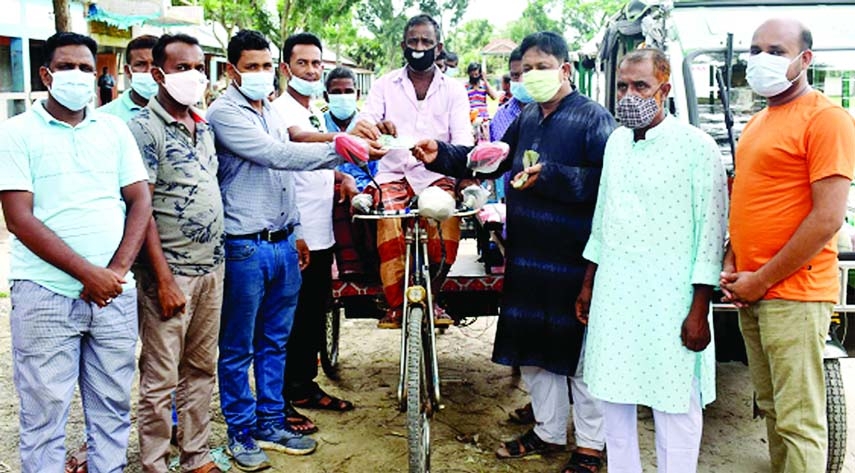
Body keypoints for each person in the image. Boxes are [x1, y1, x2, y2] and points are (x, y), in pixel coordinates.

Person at [411, 31, 615, 473]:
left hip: (574, 259)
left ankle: (591, 447)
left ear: (565, 70)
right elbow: (490, 160)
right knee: (535, 349)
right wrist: (441, 155)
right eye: (525, 71)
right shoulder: (526, 117)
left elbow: (614, 183)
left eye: (542, 67)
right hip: (526, 254)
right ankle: (547, 431)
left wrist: (555, 176)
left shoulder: (593, 118)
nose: (532, 77)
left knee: (578, 355)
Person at [207, 29, 378, 471]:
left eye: (266, 66)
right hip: (245, 245)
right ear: (232, 71)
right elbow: (275, 155)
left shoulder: (269, 110)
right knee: (238, 346)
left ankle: (269, 420)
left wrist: (297, 229)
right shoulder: (225, 113)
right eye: (252, 67)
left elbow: (284, 181)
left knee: (275, 341)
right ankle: (241, 433)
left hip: (282, 241)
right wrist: (341, 151)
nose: (262, 75)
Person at [0, 32, 151, 473]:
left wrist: (117, 271)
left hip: (113, 294)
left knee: (111, 409)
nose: (79, 76)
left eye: (87, 68)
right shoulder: (16, 133)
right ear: (47, 75)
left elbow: (139, 200)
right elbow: (19, 219)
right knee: (44, 416)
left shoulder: (114, 128)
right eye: (68, 67)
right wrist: (89, 273)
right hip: (44, 293)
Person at [577, 48, 727, 472]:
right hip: (617, 293)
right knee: (613, 399)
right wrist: (589, 283)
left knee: (676, 402)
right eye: (622, 86)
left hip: (672, 300)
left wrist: (700, 307)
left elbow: (711, 233)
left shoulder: (697, 147)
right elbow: (603, 220)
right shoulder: (616, 143)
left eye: (640, 86)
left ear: (664, 89)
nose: (628, 94)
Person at [721, 18, 855, 473]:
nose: (762, 59)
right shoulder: (759, 122)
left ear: (805, 60)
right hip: (754, 291)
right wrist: (735, 260)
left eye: (776, 51)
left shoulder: (827, 119)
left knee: (799, 421)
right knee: (773, 410)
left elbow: (827, 218)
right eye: (755, 50)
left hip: (793, 294)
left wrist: (761, 278)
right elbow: (750, 198)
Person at [125, 33, 224, 473]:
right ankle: (154, 464)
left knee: (202, 369)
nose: (195, 76)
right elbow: (141, 209)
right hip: (171, 273)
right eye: (183, 68)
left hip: (211, 269)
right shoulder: (143, 129)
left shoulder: (203, 127)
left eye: (199, 67)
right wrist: (162, 279)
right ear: (159, 74)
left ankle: (196, 456)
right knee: (161, 377)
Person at [351, 14, 472, 329]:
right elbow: (363, 125)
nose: (419, 48)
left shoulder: (455, 91)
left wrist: (438, 154)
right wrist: (375, 127)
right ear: (403, 45)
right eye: (414, 42)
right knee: (388, 221)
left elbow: (463, 144)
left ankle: (432, 296)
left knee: (445, 224)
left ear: (438, 47)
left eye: (426, 42)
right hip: (393, 175)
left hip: (435, 176)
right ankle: (395, 305)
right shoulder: (384, 85)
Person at [270, 32, 357, 436]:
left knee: (312, 315)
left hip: (322, 232)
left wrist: (341, 174)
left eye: (316, 63)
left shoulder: (315, 111)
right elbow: (297, 143)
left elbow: (315, 160)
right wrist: (345, 142)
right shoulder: (281, 110)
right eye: (303, 63)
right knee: (285, 320)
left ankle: (304, 387)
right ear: (286, 68)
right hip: (296, 232)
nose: (311, 70)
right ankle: (281, 401)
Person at [324, 66, 378, 190]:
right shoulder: (318, 125)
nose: (343, 97)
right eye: (336, 92)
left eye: (348, 91)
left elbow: (378, 171)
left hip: (365, 195)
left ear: (357, 94)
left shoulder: (368, 126)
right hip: (328, 195)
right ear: (326, 97)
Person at [99, 35, 159, 121]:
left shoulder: (181, 113)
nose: (149, 71)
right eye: (140, 64)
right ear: (127, 71)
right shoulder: (104, 117)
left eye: (156, 64)